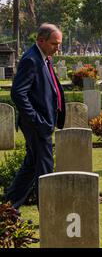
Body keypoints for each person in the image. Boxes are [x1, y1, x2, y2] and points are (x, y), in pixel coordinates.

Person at [6, 23, 66, 209]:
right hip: (37, 125)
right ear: (41, 40)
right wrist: (36, 120)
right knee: (45, 168)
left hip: (42, 122)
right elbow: (18, 93)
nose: (58, 48)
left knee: (32, 165)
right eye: (55, 44)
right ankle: (50, 212)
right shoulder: (31, 59)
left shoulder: (44, 58)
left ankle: (7, 208)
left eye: (59, 44)